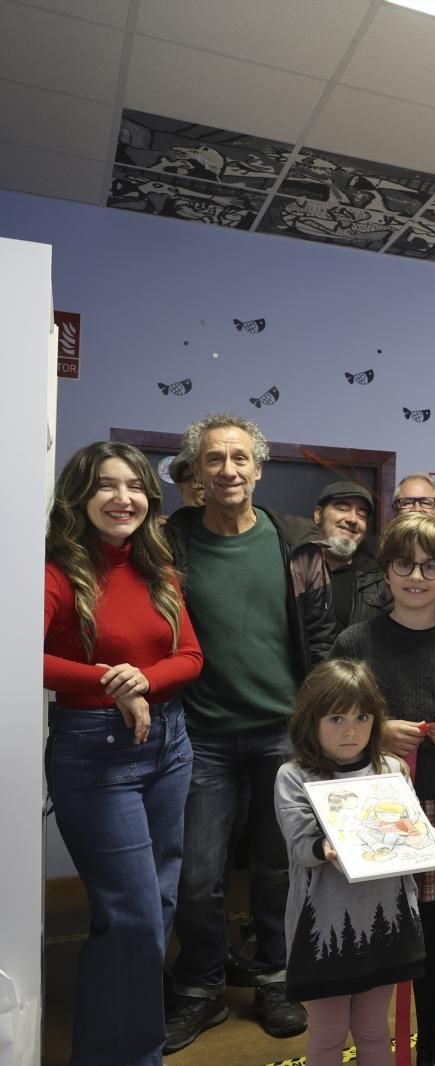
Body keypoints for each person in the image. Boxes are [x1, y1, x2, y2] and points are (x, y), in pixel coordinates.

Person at [163, 414, 333, 1052]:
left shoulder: (296, 544)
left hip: (281, 734)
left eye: (240, 458)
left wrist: (321, 724)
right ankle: (200, 989)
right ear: (198, 473)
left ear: (258, 470)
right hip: (200, 734)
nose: (228, 470)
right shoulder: (169, 542)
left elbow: (318, 641)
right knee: (197, 874)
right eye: (214, 459)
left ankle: (275, 977)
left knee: (278, 867)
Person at [43, 442, 203, 1066]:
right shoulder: (57, 570)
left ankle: (119, 1051)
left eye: (134, 486)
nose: (122, 498)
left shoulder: (157, 569)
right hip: (95, 755)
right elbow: (18, 653)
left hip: (170, 744)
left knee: (156, 911)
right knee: (132, 917)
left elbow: (189, 656)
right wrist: (109, 681)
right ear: (80, 497)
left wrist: (141, 681)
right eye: (106, 486)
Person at [331, 513, 435, 1066]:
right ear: (388, 572)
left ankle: (432, 1047)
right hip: (371, 804)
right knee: (376, 929)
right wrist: (378, 732)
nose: (416, 576)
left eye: (430, 567)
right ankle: (376, 1044)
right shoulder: (355, 641)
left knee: (433, 935)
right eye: (404, 564)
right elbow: (328, 725)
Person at [274, 659, 425, 1066]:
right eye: (336, 718)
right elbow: (300, 842)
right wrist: (326, 848)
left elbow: (409, 831)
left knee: (375, 1029)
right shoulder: (294, 776)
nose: (351, 730)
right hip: (323, 924)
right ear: (311, 720)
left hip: (386, 923)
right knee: (327, 1034)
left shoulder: (391, 768)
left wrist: (423, 838)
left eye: (362, 717)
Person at [311, 480, 389, 636]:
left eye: (361, 514)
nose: (353, 519)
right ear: (318, 514)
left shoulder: (379, 580)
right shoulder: (290, 568)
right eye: (342, 508)